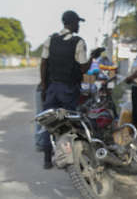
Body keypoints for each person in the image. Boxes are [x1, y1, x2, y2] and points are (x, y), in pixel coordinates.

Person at [40, 10, 103, 169]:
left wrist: (44, 86)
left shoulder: (51, 39)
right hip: (68, 89)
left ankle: (48, 159)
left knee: (50, 123)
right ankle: (70, 159)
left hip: (52, 88)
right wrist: (93, 57)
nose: (79, 26)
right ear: (72, 23)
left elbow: (44, 64)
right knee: (69, 124)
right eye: (78, 23)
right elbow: (83, 68)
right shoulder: (78, 42)